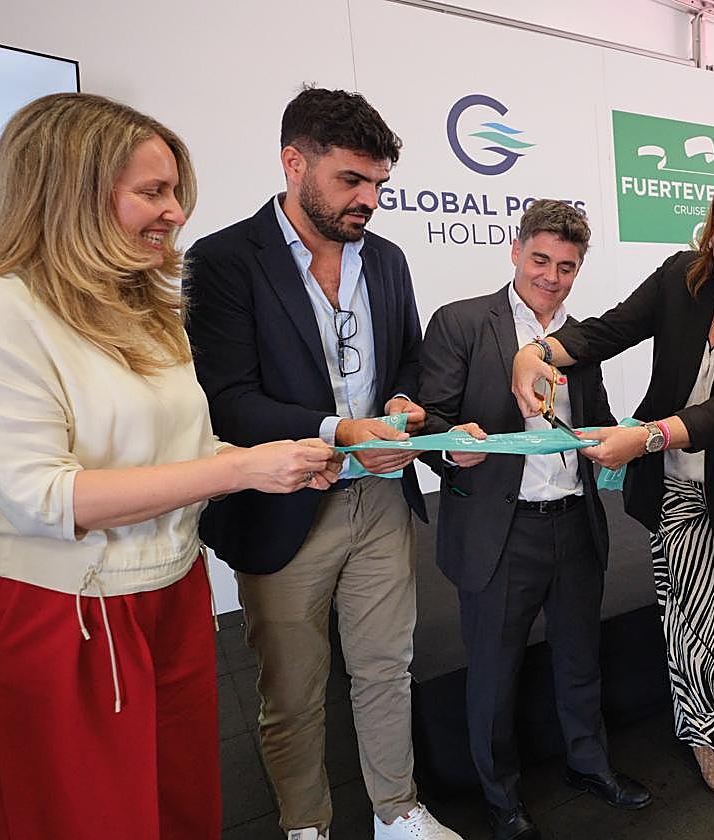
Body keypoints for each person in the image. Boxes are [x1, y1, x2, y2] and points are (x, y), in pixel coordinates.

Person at [0, 92, 340, 840]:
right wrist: (238, 472)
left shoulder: (146, 308)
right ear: (67, 193)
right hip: (51, 612)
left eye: (175, 191)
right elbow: (43, 498)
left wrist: (260, 460)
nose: (177, 212)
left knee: (179, 810)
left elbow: (181, 452)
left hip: (167, 592)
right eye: (153, 192)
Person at [184, 88, 458, 840]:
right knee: (294, 690)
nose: (368, 200)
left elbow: (407, 358)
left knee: (384, 668)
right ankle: (305, 825)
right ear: (293, 162)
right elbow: (228, 401)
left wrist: (404, 402)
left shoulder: (390, 259)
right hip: (283, 503)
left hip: (381, 501)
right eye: (351, 182)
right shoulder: (223, 259)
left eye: (378, 185)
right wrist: (341, 429)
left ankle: (397, 811)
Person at [511, 168, 714, 800]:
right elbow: (606, 331)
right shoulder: (685, 276)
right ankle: (707, 738)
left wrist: (647, 435)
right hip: (677, 491)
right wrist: (538, 352)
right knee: (695, 624)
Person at [419, 200, 650, 840]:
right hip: (498, 530)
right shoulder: (462, 322)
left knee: (580, 657)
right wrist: (449, 444)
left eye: (567, 266)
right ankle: (501, 798)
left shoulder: (583, 339)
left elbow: (592, 417)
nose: (551, 276)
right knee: (493, 673)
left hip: (575, 521)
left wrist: (615, 438)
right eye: (541, 259)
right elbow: (431, 418)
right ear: (515, 250)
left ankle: (588, 764)